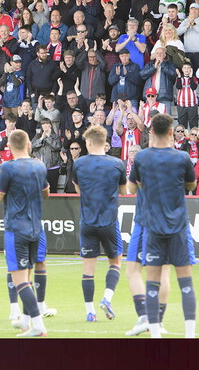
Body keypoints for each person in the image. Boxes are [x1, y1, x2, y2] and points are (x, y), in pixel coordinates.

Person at [127, 113, 198, 338]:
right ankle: (190, 335)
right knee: (185, 282)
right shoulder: (182, 157)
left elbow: (131, 189)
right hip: (178, 226)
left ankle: (155, 335)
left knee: (152, 282)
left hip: (152, 226)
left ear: (152, 131)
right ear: (171, 131)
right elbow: (191, 184)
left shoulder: (142, 158)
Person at [0, 129, 50, 337]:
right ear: (28, 145)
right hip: (35, 228)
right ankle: (25, 320)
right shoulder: (39, 166)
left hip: (16, 229)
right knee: (28, 276)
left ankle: (38, 326)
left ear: (10, 147)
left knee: (20, 281)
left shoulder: (7, 168)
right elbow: (46, 193)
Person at [71, 125, 126, 322]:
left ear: (90, 142)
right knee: (115, 262)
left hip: (87, 221)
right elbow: (124, 191)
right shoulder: (117, 163)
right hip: (109, 221)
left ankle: (89, 312)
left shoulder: (79, 163)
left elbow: (77, 189)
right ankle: (107, 298)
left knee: (88, 270)